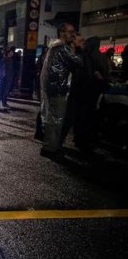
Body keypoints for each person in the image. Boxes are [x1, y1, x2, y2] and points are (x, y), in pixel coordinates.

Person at [39, 22, 83, 159]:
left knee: (52, 120)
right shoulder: (62, 48)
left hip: (53, 88)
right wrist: (78, 47)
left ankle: (49, 146)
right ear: (63, 33)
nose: (74, 35)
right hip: (58, 89)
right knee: (56, 121)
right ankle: (51, 148)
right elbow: (79, 62)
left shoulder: (55, 46)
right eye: (71, 32)